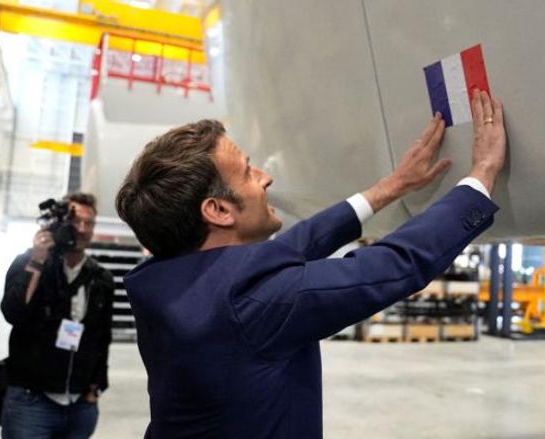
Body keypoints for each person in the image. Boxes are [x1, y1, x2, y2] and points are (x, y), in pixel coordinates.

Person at [115, 90, 506, 438]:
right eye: (248, 171)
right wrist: (481, 176)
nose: (265, 178)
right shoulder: (249, 304)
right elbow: (393, 266)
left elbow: (293, 246)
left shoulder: (172, 283)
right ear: (217, 210)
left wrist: (392, 186)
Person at [0, 193, 114, 439]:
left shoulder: (100, 278)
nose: (82, 229)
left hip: (80, 404)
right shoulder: (28, 262)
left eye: (89, 223)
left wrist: (95, 389)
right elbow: (13, 312)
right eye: (75, 221)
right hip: (31, 401)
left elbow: (102, 337)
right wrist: (38, 260)